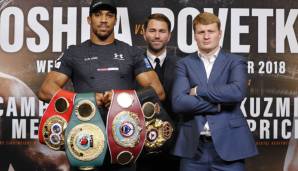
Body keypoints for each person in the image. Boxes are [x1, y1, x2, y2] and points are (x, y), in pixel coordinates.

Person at [37, 0, 165, 170]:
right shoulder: (74, 52)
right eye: (98, 15)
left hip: (125, 140)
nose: (103, 19)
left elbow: (158, 92)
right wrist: (85, 100)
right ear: (89, 20)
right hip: (84, 141)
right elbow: (45, 91)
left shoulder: (132, 53)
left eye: (109, 15)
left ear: (115, 20)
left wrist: (121, 99)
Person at [171, 12, 258, 171]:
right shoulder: (184, 64)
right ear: (195, 36)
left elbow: (237, 92)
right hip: (193, 148)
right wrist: (217, 105)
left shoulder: (236, 61)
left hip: (230, 146)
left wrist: (198, 90)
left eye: (210, 31)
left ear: (220, 34)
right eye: (201, 32)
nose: (206, 36)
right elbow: (179, 103)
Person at [136, 13, 179, 171]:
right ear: (144, 33)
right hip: (138, 143)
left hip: (173, 144)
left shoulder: (182, 65)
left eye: (162, 31)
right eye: (152, 30)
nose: (157, 36)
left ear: (169, 36)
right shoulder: (132, 63)